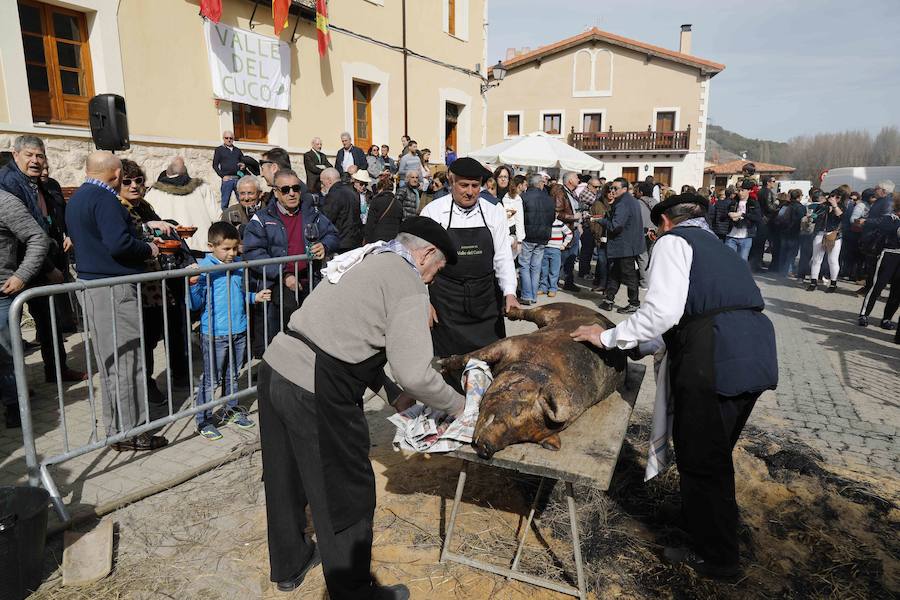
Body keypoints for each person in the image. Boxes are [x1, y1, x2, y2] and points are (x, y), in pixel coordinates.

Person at [571, 193, 777, 581]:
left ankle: (717, 558)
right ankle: (698, 520)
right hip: (755, 352)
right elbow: (683, 314)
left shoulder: (672, 242)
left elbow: (662, 311)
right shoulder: (719, 247)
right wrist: (639, 345)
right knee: (713, 449)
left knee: (703, 458)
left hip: (716, 353)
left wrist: (611, 337)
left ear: (664, 223)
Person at [257, 218, 465, 599]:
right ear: (427, 254)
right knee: (345, 490)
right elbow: (415, 374)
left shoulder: (368, 258)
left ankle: (290, 563)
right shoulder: (408, 283)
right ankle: (354, 593)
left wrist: (391, 395)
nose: (433, 280)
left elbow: (352, 333)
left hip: (275, 367)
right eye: (437, 271)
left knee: (284, 477)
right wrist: (459, 406)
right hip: (314, 385)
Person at [66, 151, 168, 451]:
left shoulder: (78, 198)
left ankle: (117, 429)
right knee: (128, 362)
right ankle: (133, 431)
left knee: (112, 363)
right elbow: (119, 244)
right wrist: (149, 249)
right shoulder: (105, 199)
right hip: (113, 288)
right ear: (115, 174)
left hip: (93, 286)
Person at [0, 135, 83, 383]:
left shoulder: (35, 182)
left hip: (37, 263)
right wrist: (48, 269)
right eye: (29, 155)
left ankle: (55, 372)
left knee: (49, 322)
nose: (35, 161)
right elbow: (30, 234)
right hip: (22, 268)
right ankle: (17, 391)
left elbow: (49, 220)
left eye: (39, 155)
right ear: (16, 155)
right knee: (11, 333)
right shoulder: (11, 182)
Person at [420, 157, 519, 357]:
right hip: (447, 299)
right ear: (451, 181)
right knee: (448, 359)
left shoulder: (493, 212)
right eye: (464, 185)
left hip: (485, 299)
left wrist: (510, 292)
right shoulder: (433, 212)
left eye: (475, 185)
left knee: (490, 356)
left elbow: (503, 256)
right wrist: (423, 299)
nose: (470, 191)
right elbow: (419, 262)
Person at [243, 169, 340, 355]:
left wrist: (324, 246)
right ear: (276, 192)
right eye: (285, 189)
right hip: (277, 285)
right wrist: (283, 274)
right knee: (281, 335)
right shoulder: (263, 218)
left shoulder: (312, 213)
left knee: (310, 333)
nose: (292, 193)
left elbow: (333, 234)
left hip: (310, 280)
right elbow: (253, 252)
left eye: (296, 188)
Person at [189, 222, 271, 440]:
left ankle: (231, 410)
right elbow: (194, 304)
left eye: (235, 248)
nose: (231, 253)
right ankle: (203, 420)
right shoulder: (205, 269)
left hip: (239, 330)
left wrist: (254, 297)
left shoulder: (235, 266)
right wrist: (192, 284)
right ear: (211, 246)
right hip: (215, 333)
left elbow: (236, 295)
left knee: (232, 375)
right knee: (212, 379)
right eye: (226, 248)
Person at [118, 159, 190, 401]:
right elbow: (126, 237)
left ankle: (177, 374)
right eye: (127, 181)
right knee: (145, 339)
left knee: (170, 329)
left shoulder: (144, 205)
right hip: (137, 283)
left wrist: (168, 226)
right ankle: (146, 384)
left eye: (138, 181)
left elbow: (159, 227)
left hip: (159, 282)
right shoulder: (118, 206)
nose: (134, 186)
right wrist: (149, 227)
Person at [0, 189, 49, 428]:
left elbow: (37, 238)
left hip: (1, 294)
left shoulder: (5, 201)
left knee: (7, 355)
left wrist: (22, 275)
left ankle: (15, 405)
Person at [145, 157, 219, 252]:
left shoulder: (153, 193)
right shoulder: (202, 188)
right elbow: (217, 217)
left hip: (172, 250)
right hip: (202, 248)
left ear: (167, 174)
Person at [598, 177, 644, 314]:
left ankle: (634, 303)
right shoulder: (630, 200)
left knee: (628, 275)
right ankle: (609, 299)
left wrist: (602, 221)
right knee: (615, 272)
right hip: (626, 245)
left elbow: (615, 226)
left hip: (624, 245)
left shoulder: (623, 203)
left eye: (615, 188)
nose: (612, 191)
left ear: (624, 189)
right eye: (611, 188)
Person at [858, 195, 900, 328]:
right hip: (888, 254)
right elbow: (886, 228)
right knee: (877, 286)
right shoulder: (890, 218)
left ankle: (887, 319)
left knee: (897, 291)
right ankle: (864, 314)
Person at [517, 174, 555, 306]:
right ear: (540, 184)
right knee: (536, 266)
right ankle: (533, 295)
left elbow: (520, 218)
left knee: (524, 265)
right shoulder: (549, 199)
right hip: (543, 236)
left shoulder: (523, 197)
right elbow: (552, 218)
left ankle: (527, 295)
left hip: (528, 235)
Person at [807, 189, 845, 292]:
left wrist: (835, 206)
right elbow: (815, 217)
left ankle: (833, 283)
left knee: (832, 260)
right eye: (832, 196)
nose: (834, 198)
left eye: (837, 197)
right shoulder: (822, 206)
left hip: (833, 235)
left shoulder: (841, 207)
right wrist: (811, 218)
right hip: (820, 233)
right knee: (816, 259)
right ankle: (813, 282)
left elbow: (841, 216)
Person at [319, 168, 364, 252]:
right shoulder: (352, 191)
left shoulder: (334, 193)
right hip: (355, 240)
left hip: (341, 242)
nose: (322, 185)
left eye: (322, 182)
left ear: (329, 180)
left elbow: (327, 219)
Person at [721, 180, 762, 261]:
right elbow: (723, 215)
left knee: (742, 260)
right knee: (728, 259)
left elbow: (757, 217)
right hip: (732, 235)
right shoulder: (733, 202)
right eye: (739, 190)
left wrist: (742, 214)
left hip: (746, 236)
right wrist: (729, 215)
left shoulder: (753, 203)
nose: (740, 193)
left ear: (749, 191)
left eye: (742, 190)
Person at [537, 214, 573, 298]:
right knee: (543, 269)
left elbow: (569, 234)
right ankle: (543, 287)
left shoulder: (559, 223)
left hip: (556, 249)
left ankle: (552, 288)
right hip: (544, 248)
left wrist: (564, 244)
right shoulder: (544, 222)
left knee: (554, 270)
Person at [774, 189, 807, 277]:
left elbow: (779, 217)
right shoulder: (801, 207)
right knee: (792, 254)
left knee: (783, 252)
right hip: (795, 233)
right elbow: (803, 221)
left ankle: (781, 270)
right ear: (799, 197)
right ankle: (788, 270)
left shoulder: (785, 205)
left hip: (784, 231)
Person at [558, 173, 583, 292]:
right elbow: (557, 213)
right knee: (562, 258)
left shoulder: (572, 193)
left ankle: (569, 281)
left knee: (571, 258)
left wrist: (579, 224)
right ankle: (554, 282)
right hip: (566, 230)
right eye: (576, 177)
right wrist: (573, 217)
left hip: (574, 229)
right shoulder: (560, 192)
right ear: (570, 181)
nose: (579, 179)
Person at [750, 176, 779, 271]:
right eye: (773, 181)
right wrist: (777, 205)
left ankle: (756, 263)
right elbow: (769, 207)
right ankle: (757, 265)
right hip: (765, 220)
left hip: (760, 219)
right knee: (760, 244)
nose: (775, 183)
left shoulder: (760, 191)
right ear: (768, 182)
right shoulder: (767, 192)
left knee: (758, 243)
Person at [364, 177, 404, 243]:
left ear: (381, 188)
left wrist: (367, 240)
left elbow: (370, 223)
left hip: (377, 238)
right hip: (393, 240)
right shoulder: (398, 203)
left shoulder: (376, 201)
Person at [634, 181, 658, 288]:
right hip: (654, 233)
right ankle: (652, 280)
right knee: (651, 256)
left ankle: (644, 282)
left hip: (642, 233)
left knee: (642, 258)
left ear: (641, 192)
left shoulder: (637, 204)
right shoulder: (656, 203)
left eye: (637, 190)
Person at [213, 131, 245, 210]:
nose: (229, 140)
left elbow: (243, 162)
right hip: (227, 180)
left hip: (238, 179)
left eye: (231, 138)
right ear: (223, 139)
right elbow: (215, 165)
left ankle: (245, 217)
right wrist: (222, 176)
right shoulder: (219, 150)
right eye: (226, 138)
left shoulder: (238, 150)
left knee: (242, 200)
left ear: (233, 139)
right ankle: (224, 219)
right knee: (225, 202)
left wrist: (243, 166)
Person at [501, 174, 526, 257]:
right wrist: (519, 240)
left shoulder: (506, 197)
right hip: (510, 232)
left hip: (506, 232)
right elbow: (519, 219)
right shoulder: (516, 198)